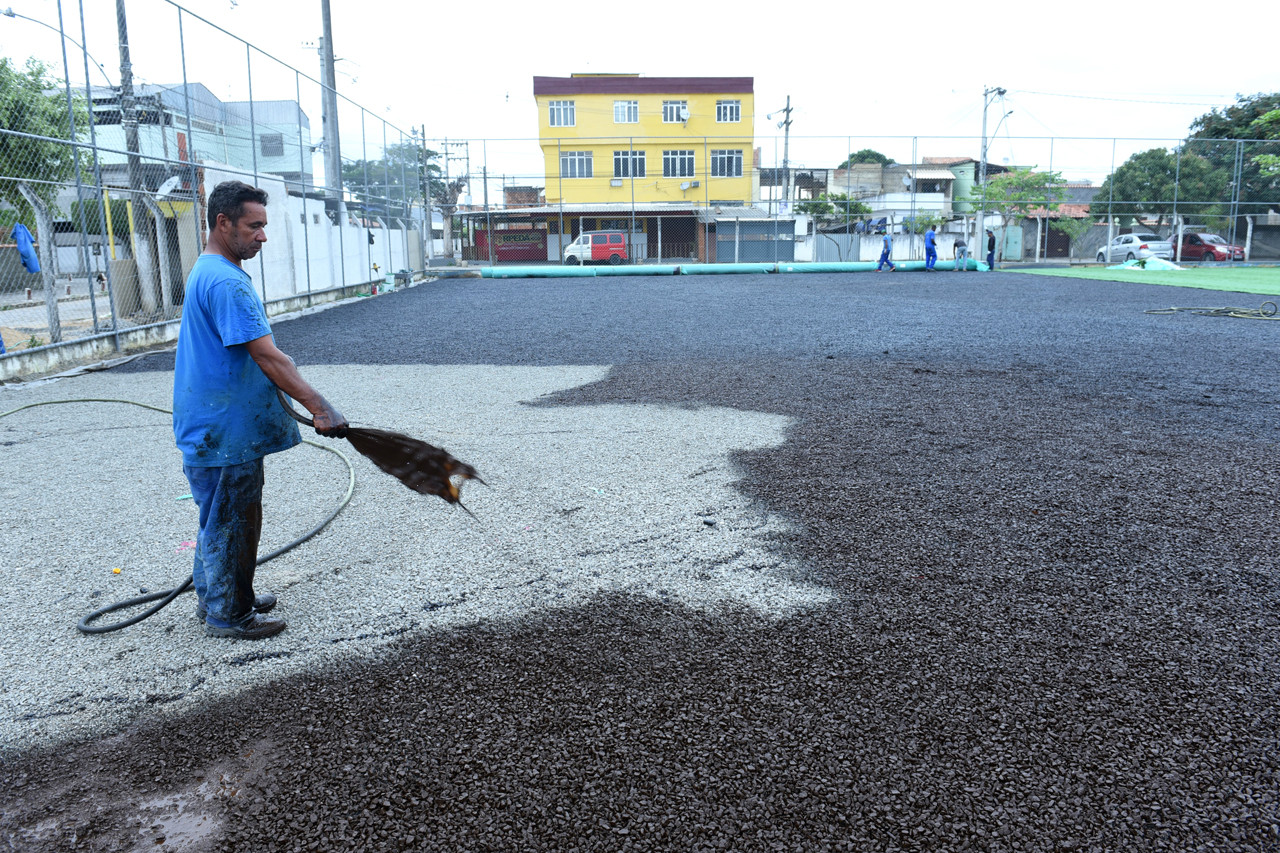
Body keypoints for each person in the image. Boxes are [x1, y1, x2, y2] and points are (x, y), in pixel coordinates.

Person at [173, 181, 348, 640]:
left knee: (218, 514)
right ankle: (230, 614)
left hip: (212, 421)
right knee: (233, 516)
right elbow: (268, 356)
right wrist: (319, 406)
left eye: (264, 227)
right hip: (226, 428)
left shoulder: (208, 270)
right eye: (255, 226)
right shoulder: (228, 282)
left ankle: (222, 595)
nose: (262, 237)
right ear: (222, 222)